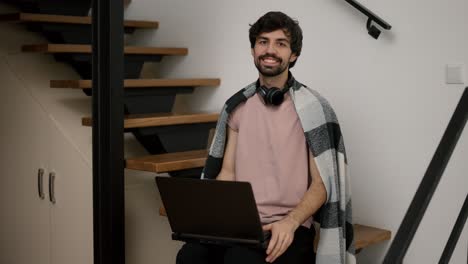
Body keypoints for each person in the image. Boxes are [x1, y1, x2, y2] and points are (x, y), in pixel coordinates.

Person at [177, 11, 355, 264]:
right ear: (253, 50)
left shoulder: (314, 110)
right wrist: (214, 220)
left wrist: (291, 222)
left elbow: (321, 185)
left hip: (289, 226)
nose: (270, 50)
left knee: (239, 261)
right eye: (263, 41)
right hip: (242, 224)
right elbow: (227, 172)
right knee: (190, 256)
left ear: (293, 55)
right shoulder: (237, 106)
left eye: (280, 43)